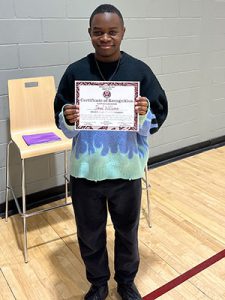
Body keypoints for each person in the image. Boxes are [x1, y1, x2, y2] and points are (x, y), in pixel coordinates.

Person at [54, 4, 168, 300]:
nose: (105, 38)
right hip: (86, 171)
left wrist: (143, 113)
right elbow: (62, 119)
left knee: (127, 233)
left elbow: (156, 117)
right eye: (98, 32)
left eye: (112, 32)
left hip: (126, 171)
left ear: (122, 33)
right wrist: (68, 118)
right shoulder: (76, 71)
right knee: (90, 235)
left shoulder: (140, 71)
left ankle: (126, 282)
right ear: (90, 34)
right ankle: (99, 283)